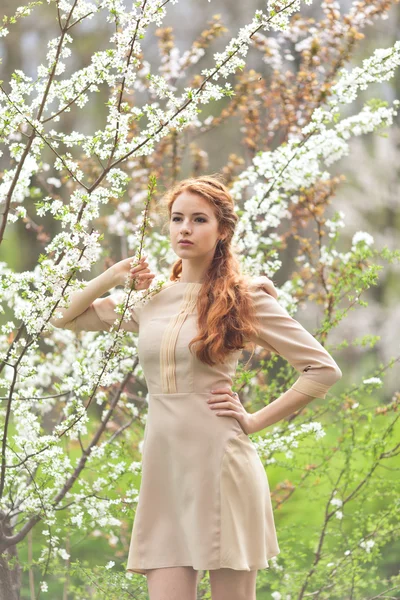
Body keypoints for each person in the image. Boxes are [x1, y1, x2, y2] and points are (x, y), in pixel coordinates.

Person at [51, 175, 342, 600]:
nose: (184, 228)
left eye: (198, 219)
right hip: (163, 471)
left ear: (222, 231)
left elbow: (321, 369)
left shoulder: (245, 299)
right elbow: (61, 316)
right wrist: (113, 275)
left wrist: (254, 420)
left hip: (221, 466)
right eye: (177, 219)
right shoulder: (150, 299)